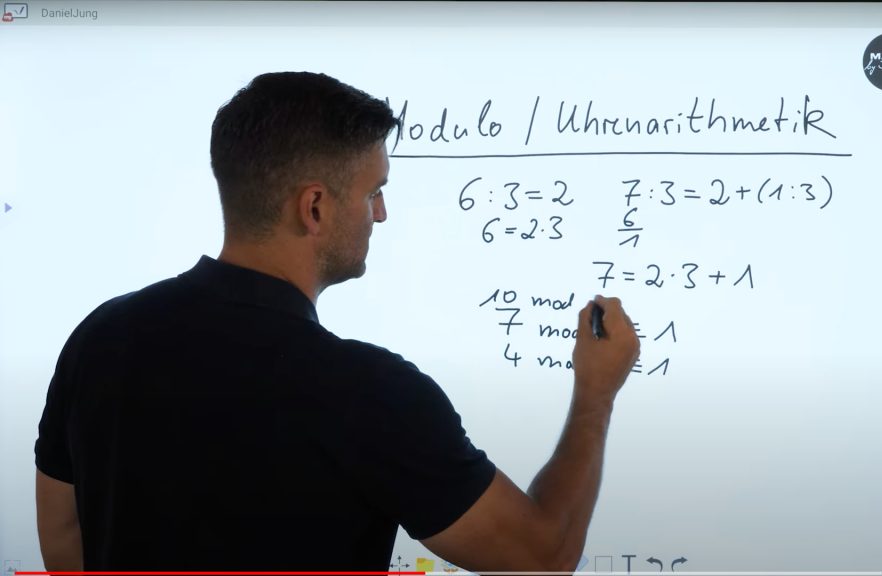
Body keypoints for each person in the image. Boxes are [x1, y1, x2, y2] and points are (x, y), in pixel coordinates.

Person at [35, 72, 641, 571]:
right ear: (316, 207)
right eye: (374, 191)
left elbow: (63, 538)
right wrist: (595, 394)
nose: (382, 213)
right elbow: (541, 556)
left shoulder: (100, 337)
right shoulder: (367, 392)